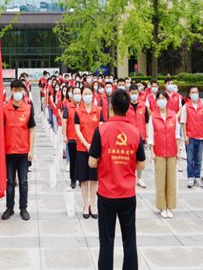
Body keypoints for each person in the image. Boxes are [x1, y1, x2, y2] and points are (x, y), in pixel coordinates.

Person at [88, 89, 146, 270]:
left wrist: (107, 161)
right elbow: (142, 164)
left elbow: (91, 162)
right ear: (129, 108)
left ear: (110, 107)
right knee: (129, 239)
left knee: (106, 240)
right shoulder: (135, 132)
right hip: (128, 195)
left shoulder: (101, 130)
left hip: (107, 195)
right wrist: (126, 163)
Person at [2, 80, 36, 221]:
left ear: (23, 91)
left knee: (23, 181)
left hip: (23, 151)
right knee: (10, 181)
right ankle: (9, 207)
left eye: (19, 90)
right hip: (8, 151)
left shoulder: (28, 108)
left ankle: (23, 208)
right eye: (14, 90)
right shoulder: (4, 108)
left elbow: (31, 130)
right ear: (11, 91)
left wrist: (31, 150)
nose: (17, 93)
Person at [149, 91, 181, 218]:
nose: (161, 101)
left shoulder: (173, 115)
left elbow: (177, 134)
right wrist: (152, 151)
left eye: (164, 98)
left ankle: (170, 206)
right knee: (160, 180)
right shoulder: (153, 116)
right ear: (156, 101)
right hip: (159, 153)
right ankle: (162, 206)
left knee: (171, 180)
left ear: (168, 100)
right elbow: (151, 135)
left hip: (172, 152)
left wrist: (178, 151)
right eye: (159, 98)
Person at [75, 85, 104, 219]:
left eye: (89, 93)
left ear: (92, 95)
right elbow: (77, 130)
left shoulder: (98, 110)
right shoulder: (77, 111)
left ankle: (93, 205)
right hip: (82, 149)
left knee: (94, 179)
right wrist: (86, 144)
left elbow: (102, 127)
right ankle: (85, 205)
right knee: (84, 179)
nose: (87, 95)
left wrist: (95, 145)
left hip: (96, 149)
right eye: (84, 93)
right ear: (81, 96)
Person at [180, 85, 203, 189]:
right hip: (190, 136)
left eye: (196, 92)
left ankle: (197, 177)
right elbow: (183, 122)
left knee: (198, 159)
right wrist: (185, 136)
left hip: (200, 137)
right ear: (189, 94)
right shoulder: (186, 107)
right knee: (190, 159)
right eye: (192, 92)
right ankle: (190, 178)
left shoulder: (202, 106)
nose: (195, 94)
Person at [126, 85, 149, 189]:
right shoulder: (126, 105)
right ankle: (129, 177)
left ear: (138, 93)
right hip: (128, 136)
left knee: (140, 158)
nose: (134, 94)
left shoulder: (143, 105)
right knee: (129, 157)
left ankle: (139, 178)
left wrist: (147, 135)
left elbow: (146, 121)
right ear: (129, 93)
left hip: (141, 136)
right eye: (132, 92)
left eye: (136, 92)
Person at [63, 87, 81, 188]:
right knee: (73, 160)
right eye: (75, 93)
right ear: (72, 95)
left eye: (79, 93)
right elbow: (64, 120)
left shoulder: (84, 106)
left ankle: (81, 179)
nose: (77, 95)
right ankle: (73, 179)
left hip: (82, 139)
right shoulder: (68, 106)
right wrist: (64, 135)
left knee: (81, 161)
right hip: (72, 137)